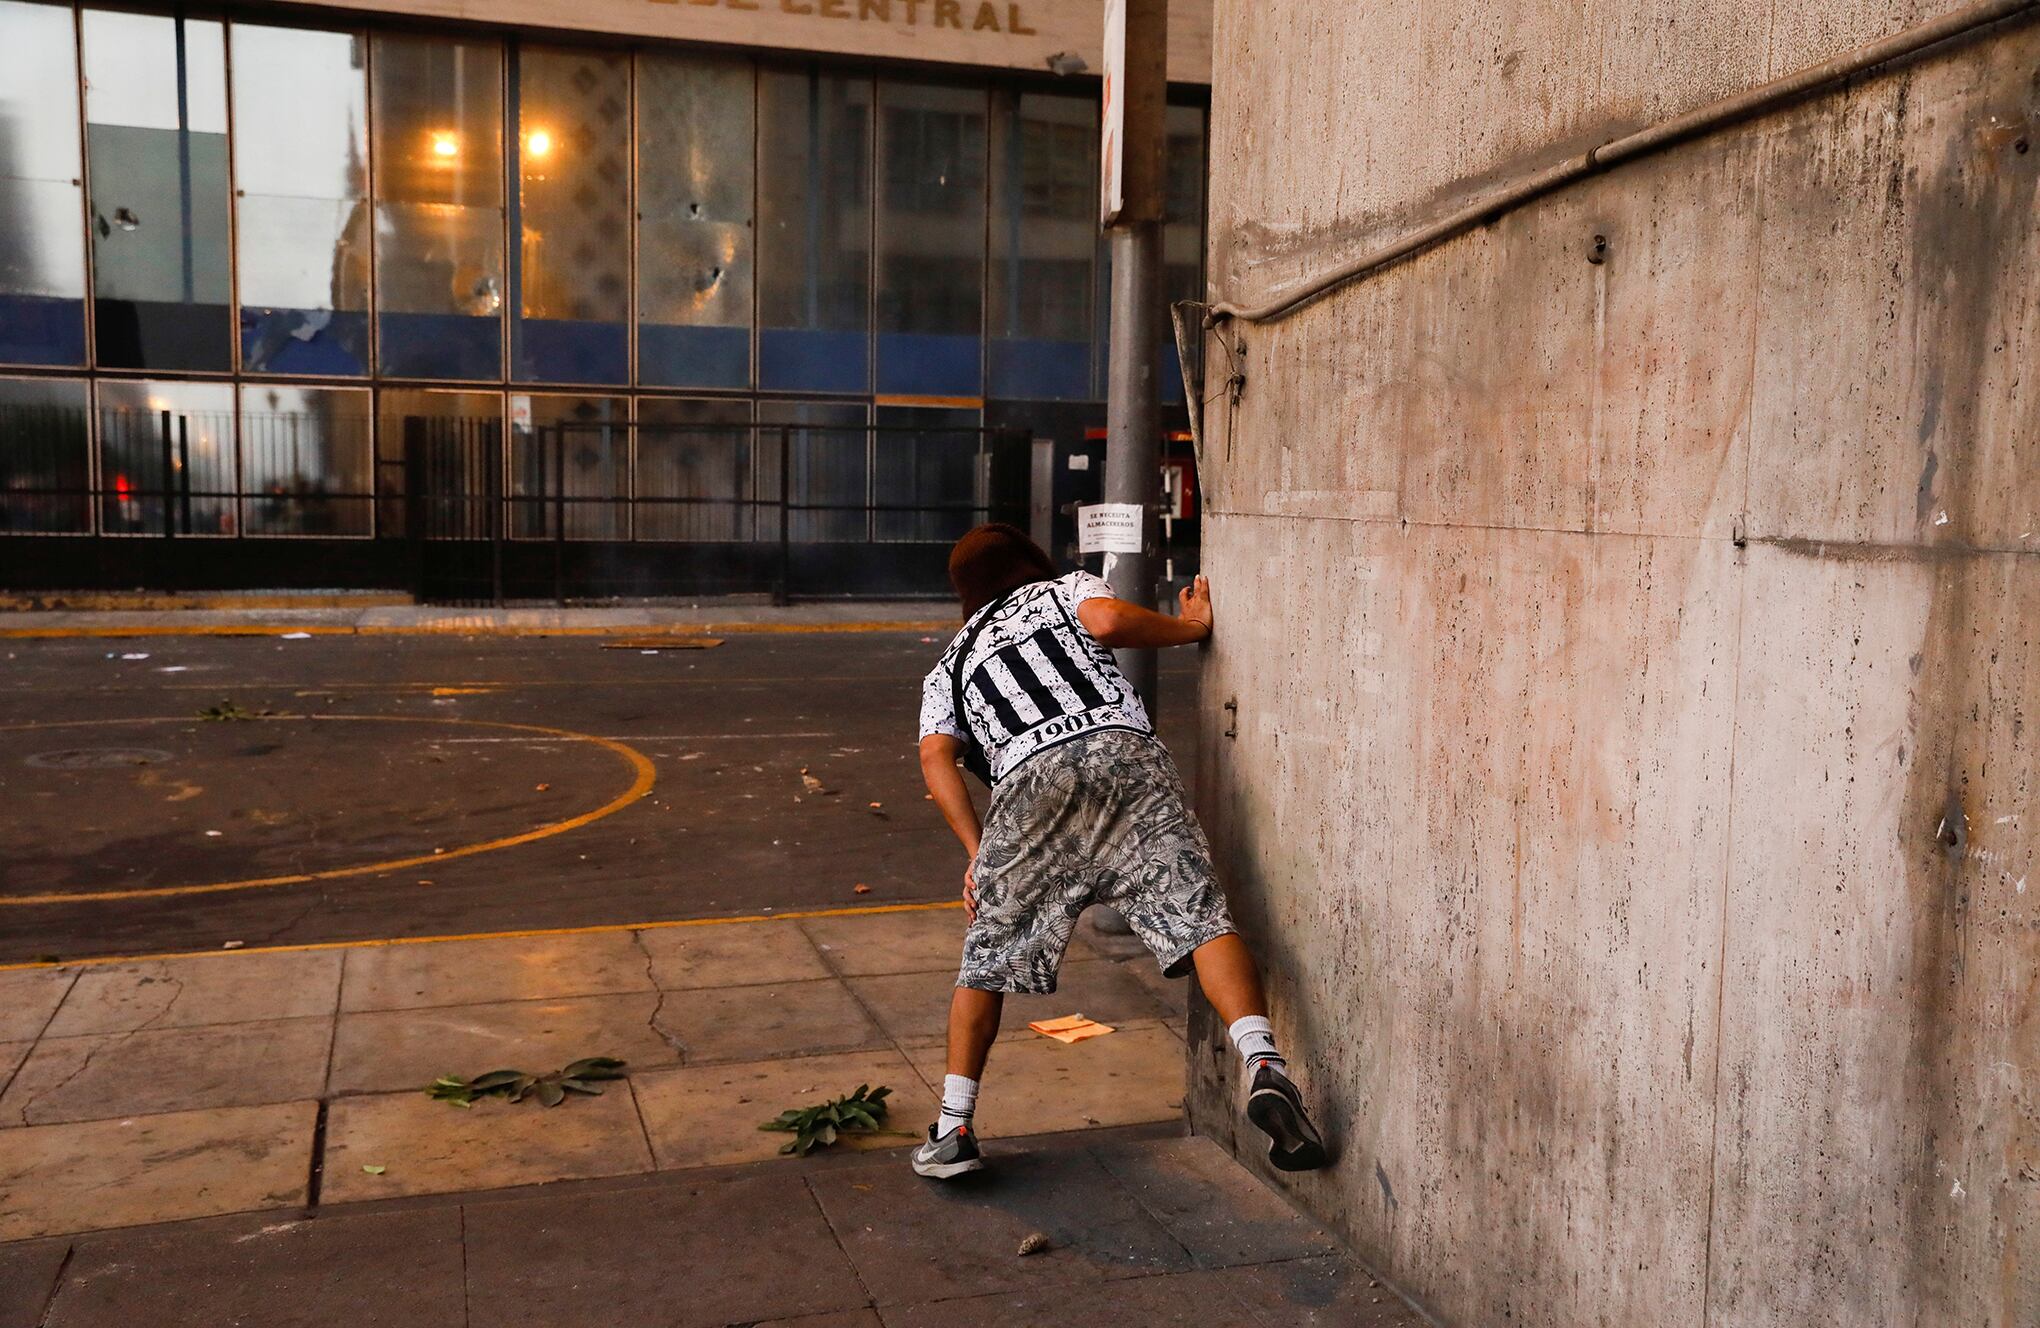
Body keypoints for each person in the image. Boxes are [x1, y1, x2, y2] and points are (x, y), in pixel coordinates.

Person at [910, 522, 1327, 1179]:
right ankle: (1265, 1062)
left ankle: (956, 1126)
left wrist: (975, 849)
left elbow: (937, 757)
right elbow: (1104, 622)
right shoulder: (1063, 588)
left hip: (1025, 787)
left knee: (987, 958)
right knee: (1197, 918)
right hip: (1122, 753)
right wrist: (1191, 628)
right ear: (1031, 562)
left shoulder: (952, 664)